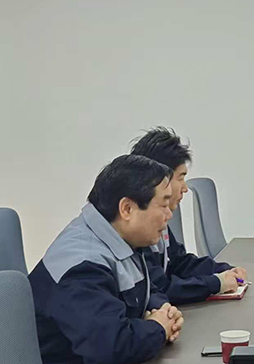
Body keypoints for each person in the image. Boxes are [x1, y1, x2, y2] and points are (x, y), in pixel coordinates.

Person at [29, 155, 184, 364]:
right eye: (163, 205)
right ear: (127, 209)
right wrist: (158, 328)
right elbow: (112, 348)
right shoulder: (81, 266)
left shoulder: (118, 239)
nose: (169, 214)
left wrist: (164, 311)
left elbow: (144, 291)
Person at [131, 127, 247, 305]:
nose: (185, 188)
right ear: (159, 179)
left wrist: (224, 270)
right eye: (180, 178)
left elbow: (179, 263)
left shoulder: (157, 218)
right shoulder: (136, 228)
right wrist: (215, 283)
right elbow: (160, 288)